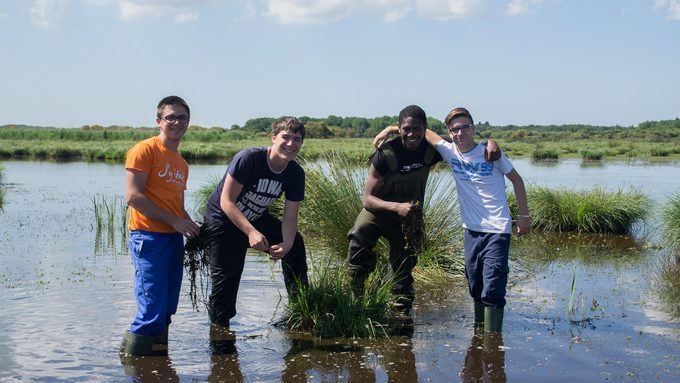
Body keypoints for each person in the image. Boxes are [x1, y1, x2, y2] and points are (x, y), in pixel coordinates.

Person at [378, 107, 529, 332]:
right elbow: (425, 132)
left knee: (493, 288)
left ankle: (492, 343)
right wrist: (391, 129)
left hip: (497, 228)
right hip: (471, 230)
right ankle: (480, 334)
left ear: (473, 128)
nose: (460, 133)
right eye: (454, 129)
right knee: (475, 283)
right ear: (449, 133)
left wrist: (524, 216)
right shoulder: (450, 152)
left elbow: (517, 181)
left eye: (464, 127)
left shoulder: (492, 153)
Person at [349, 105, 499, 317]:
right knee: (360, 231)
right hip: (379, 211)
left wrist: (491, 143)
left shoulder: (431, 151)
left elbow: (464, 147)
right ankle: (356, 298)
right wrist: (395, 207)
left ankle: (401, 310)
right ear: (400, 128)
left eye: (417, 129)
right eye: (406, 129)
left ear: (424, 128)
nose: (412, 134)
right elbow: (367, 199)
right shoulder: (386, 154)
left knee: (405, 261)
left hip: (409, 217)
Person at [204, 116, 309, 341]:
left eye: (297, 139)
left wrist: (287, 244)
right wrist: (250, 232)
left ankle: (302, 309)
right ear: (273, 138)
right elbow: (227, 202)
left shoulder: (295, 173)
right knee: (228, 276)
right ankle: (220, 334)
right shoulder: (249, 159)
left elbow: (290, 217)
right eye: (286, 137)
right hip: (223, 219)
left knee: (296, 244)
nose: (291, 144)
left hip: (256, 217)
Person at [120, 95, 200, 357]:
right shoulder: (145, 150)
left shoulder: (182, 163)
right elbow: (133, 196)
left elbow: (175, 204)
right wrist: (175, 221)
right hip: (148, 238)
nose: (177, 122)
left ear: (189, 121)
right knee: (151, 311)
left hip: (173, 240)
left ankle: (158, 363)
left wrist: (187, 222)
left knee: (166, 310)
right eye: (171, 117)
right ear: (159, 121)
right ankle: (132, 366)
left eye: (182, 117)